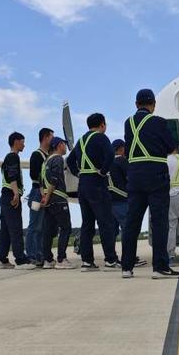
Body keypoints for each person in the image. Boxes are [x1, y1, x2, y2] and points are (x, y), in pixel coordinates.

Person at [120, 88, 179, 279]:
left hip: (135, 176)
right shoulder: (158, 122)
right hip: (156, 175)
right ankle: (160, 267)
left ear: (136, 104)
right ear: (153, 105)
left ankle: (127, 267)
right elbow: (171, 146)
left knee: (132, 223)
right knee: (160, 221)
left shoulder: (128, 123)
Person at [66, 113, 120, 271]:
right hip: (97, 183)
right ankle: (110, 259)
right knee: (106, 223)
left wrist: (78, 172)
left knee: (87, 224)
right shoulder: (101, 138)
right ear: (102, 124)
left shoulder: (81, 141)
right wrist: (103, 171)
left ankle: (87, 261)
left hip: (82, 185)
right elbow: (111, 155)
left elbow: (70, 161)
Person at [0, 132, 34, 270]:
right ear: (16, 142)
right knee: (16, 228)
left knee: (5, 230)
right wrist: (16, 194)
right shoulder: (13, 157)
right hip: (10, 196)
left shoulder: (9, 157)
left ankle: (2, 259)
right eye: (22, 141)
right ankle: (21, 259)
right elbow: (12, 176)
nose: (24, 144)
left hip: (5, 196)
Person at [109, 140, 147, 268]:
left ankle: (111, 258)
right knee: (128, 230)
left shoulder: (107, 162)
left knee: (111, 231)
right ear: (122, 149)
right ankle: (130, 258)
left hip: (109, 201)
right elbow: (131, 176)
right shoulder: (121, 161)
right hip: (121, 200)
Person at [40, 137, 74, 269]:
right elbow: (54, 179)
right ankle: (61, 259)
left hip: (48, 200)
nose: (65, 148)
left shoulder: (45, 162)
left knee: (48, 231)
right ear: (59, 145)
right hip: (58, 199)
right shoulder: (58, 159)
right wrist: (48, 197)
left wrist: (44, 197)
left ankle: (47, 260)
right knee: (66, 228)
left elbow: (41, 183)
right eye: (64, 145)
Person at [25, 127, 53, 266]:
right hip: (37, 193)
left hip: (43, 193)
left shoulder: (47, 155)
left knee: (41, 226)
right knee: (34, 225)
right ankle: (31, 255)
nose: (53, 140)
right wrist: (43, 193)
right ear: (46, 137)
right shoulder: (37, 155)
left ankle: (39, 254)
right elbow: (34, 175)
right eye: (51, 137)